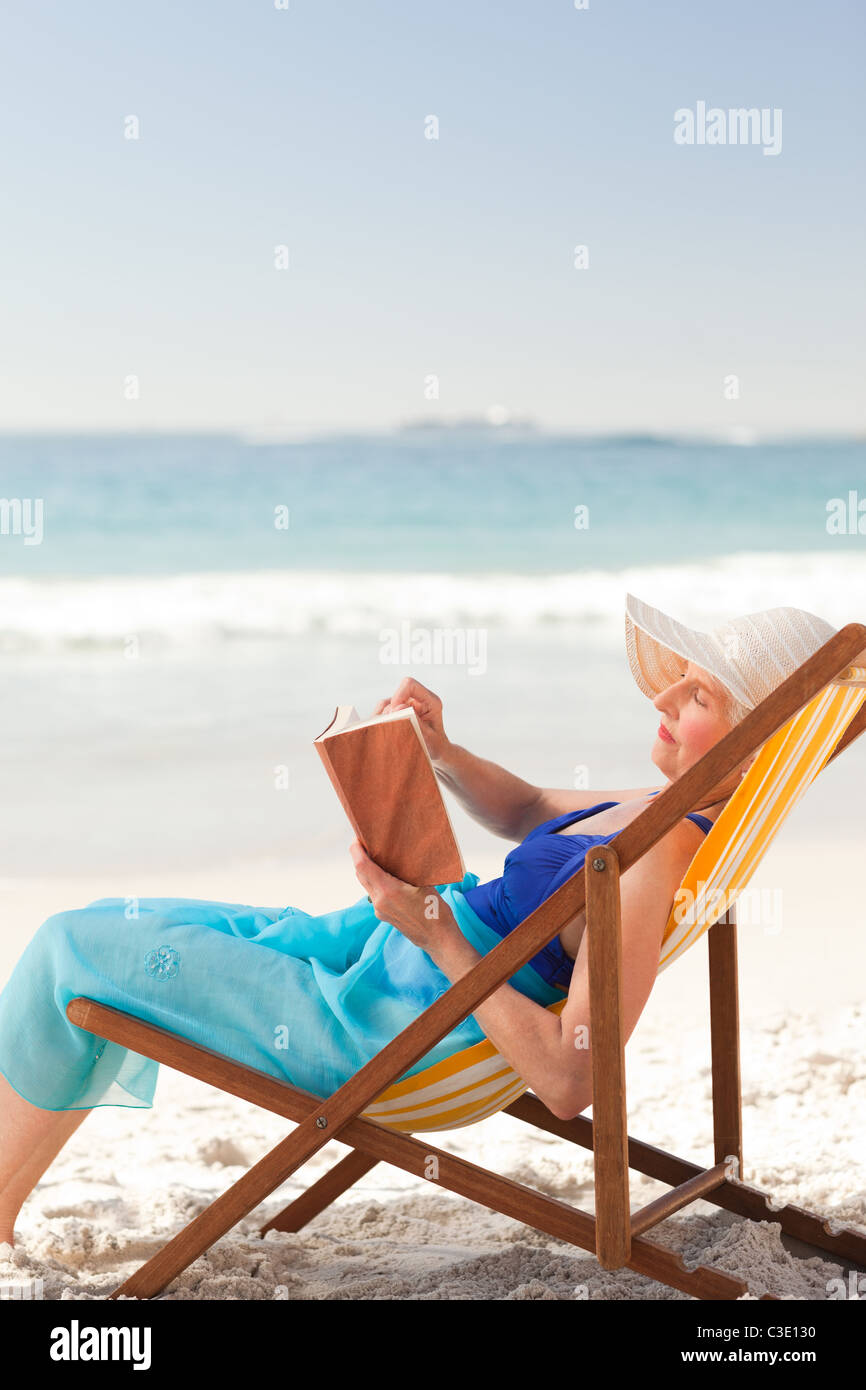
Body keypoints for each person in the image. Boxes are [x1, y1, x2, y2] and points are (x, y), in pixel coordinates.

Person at [0, 592, 839, 1247]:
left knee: (71, 949)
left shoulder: (653, 857)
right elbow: (534, 809)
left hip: (388, 1026)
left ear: (754, 740)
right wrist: (440, 749)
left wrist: (433, 928)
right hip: (381, 959)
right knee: (104, 924)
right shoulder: (660, 809)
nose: (666, 691)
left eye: (701, 693)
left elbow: (570, 1082)